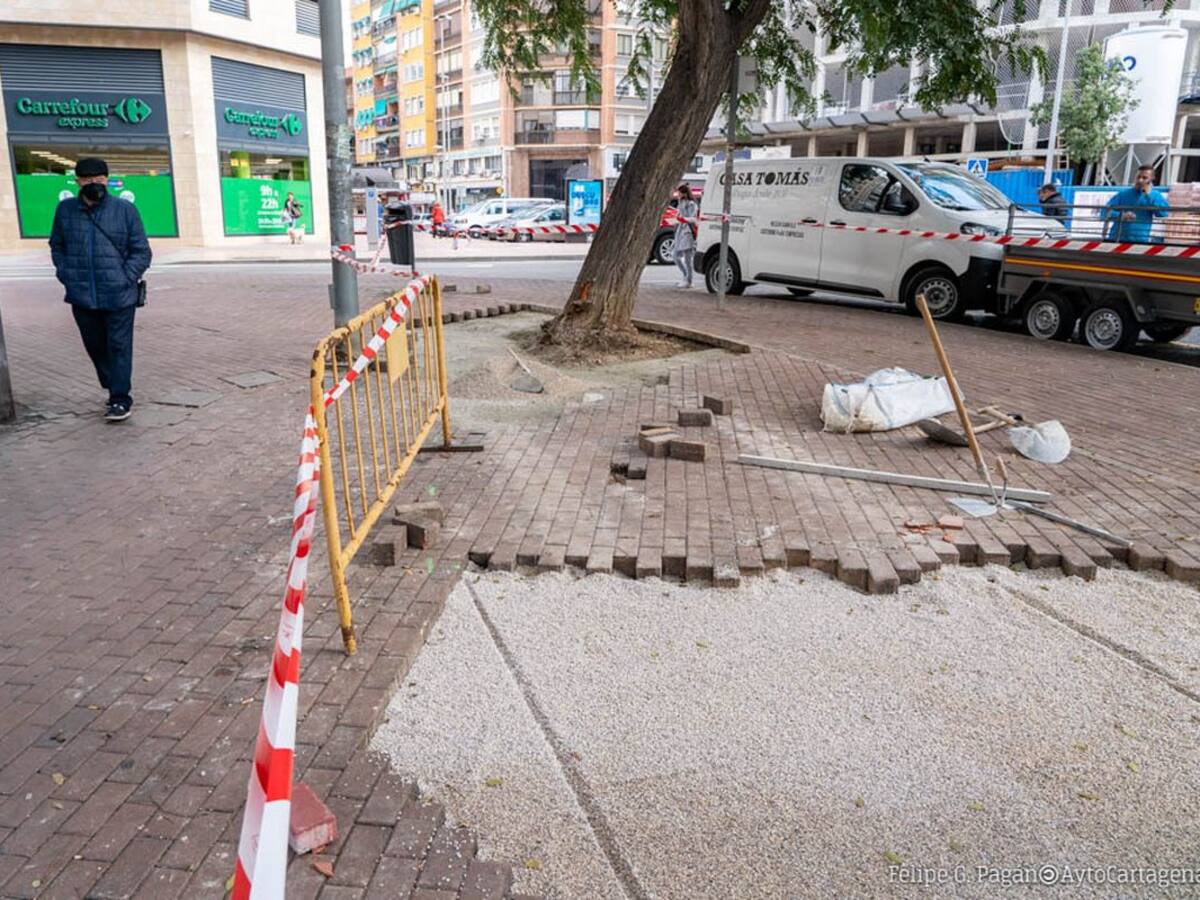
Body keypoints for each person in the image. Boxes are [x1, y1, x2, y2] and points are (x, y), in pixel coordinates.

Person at [49, 157, 152, 422]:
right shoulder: (65, 210)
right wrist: (66, 274)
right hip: (82, 295)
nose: (94, 183)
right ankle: (112, 383)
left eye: (99, 179)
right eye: (87, 179)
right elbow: (57, 245)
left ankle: (119, 398)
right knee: (95, 346)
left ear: (107, 180)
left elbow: (141, 251)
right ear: (77, 181)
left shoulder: (125, 210)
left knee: (118, 346)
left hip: (119, 295)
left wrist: (125, 277)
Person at [1103, 165, 1168, 243]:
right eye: (1138, 177)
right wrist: (1121, 215)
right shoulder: (1123, 194)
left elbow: (1163, 213)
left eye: (1144, 178)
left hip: (1139, 240)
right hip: (1116, 238)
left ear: (1151, 179)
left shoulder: (1155, 196)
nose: (1140, 180)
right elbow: (1105, 211)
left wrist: (1148, 195)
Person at [672, 184, 698, 289]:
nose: (678, 194)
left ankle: (689, 280)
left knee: (687, 259)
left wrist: (683, 219)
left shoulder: (691, 204)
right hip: (680, 231)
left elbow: (693, 218)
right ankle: (685, 276)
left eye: (680, 192)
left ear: (685, 193)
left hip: (688, 232)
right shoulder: (680, 202)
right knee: (675, 256)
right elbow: (678, 215)